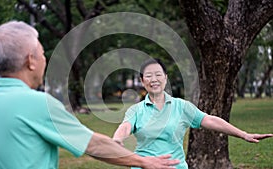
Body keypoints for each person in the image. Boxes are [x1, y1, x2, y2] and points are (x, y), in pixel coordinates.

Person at [0, 21, 180, 169]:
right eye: (43, 53)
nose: (45, 60)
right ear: (31, 61)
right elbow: (93, 145)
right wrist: (144, 161)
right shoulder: (39, 104)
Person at [112, 58, 273, 169]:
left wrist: (243, 134)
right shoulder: (136, 110)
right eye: (148, 76)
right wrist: (117, 139)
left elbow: (209, 120)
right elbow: (125, 126)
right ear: (142, 81)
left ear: (165, 78)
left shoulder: (182, 107)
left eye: (158, 74)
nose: (154, 79)